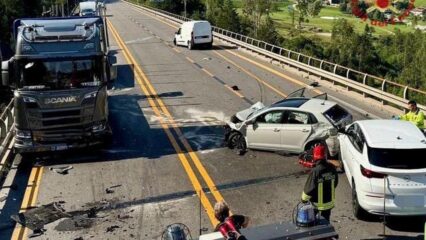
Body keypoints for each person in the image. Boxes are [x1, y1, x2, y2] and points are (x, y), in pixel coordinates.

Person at [301, 144, 338, 222]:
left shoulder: (315, 171)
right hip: (329, 203)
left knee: (313, 223)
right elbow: (335, 183)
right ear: (325, 155)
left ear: (315, 156)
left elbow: (309, 189)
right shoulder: (332, 168)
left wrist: (303, 199)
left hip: (316, 205)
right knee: (326, 222)